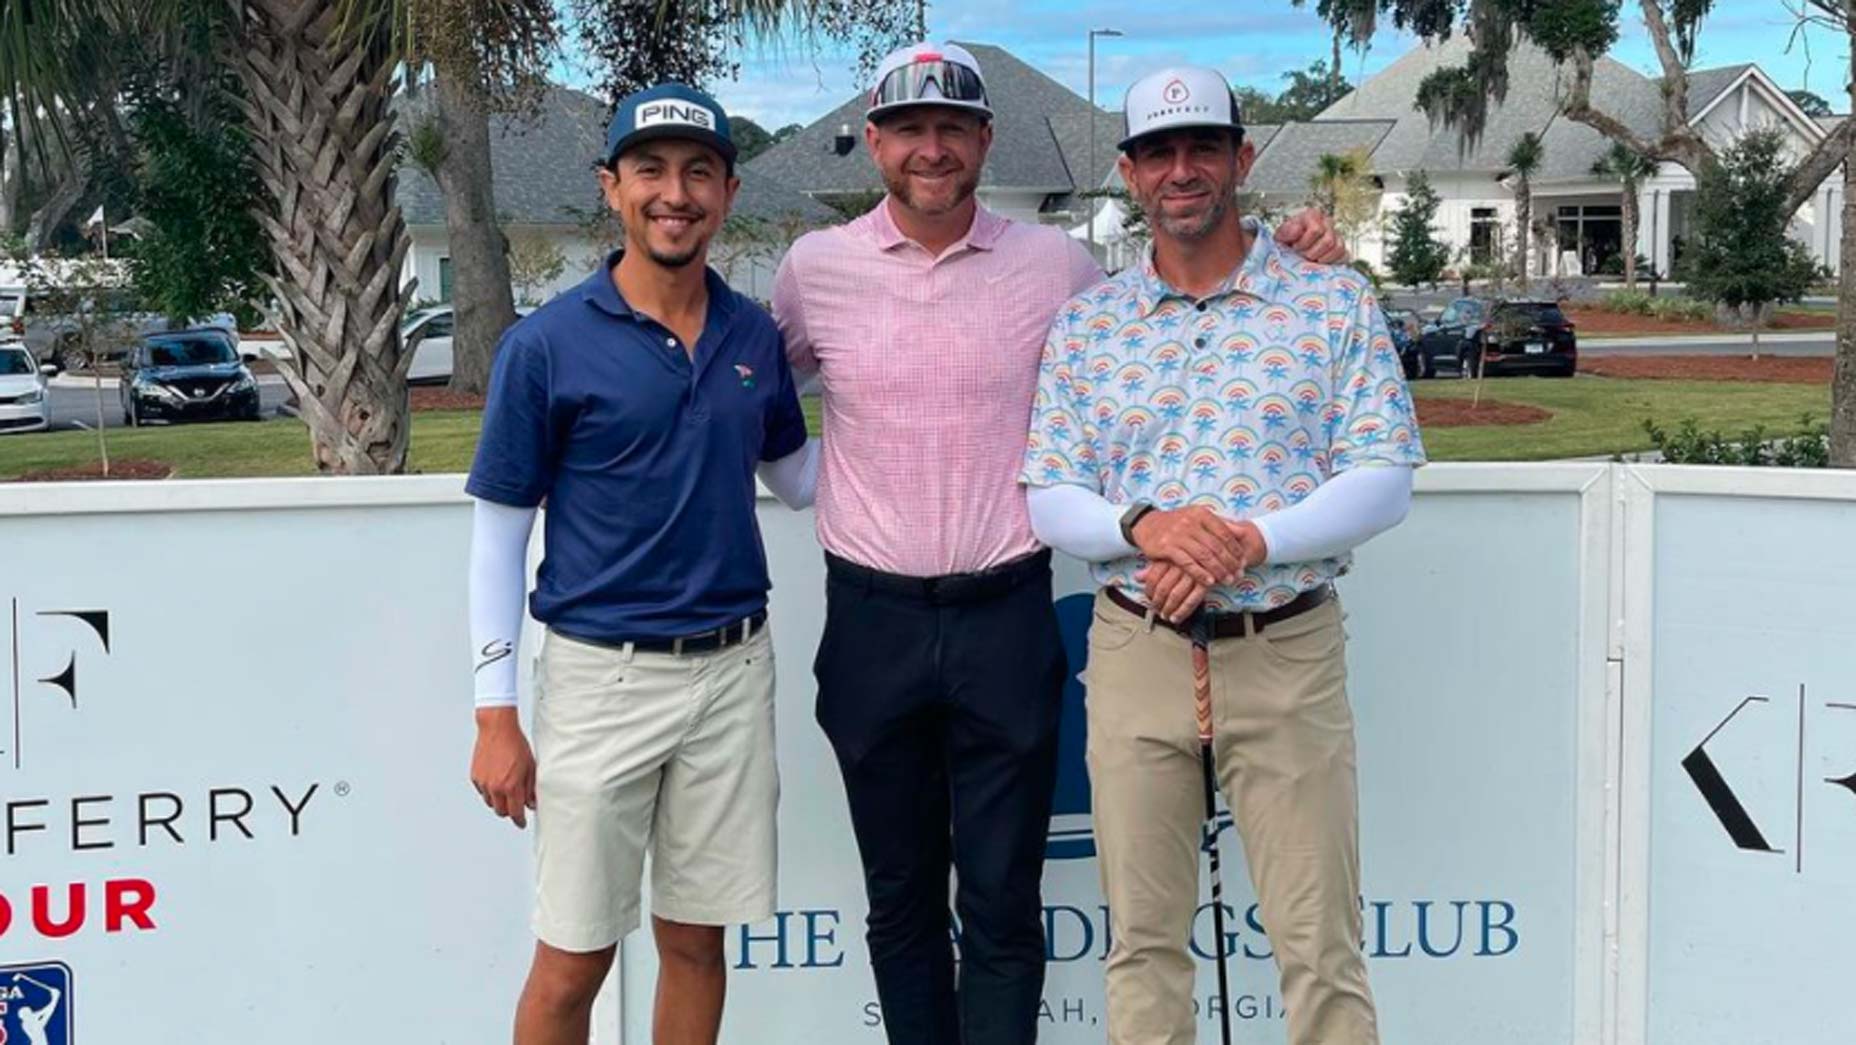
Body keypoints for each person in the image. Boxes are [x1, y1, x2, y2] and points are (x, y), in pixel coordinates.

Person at [770, 42, 1349, 1045]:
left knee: (1000, 901)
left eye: (953, 128)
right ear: (874, 144)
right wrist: (817, 488)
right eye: (909, 129)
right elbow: (757, 390)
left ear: (985, 141)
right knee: (899, 899)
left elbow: (1177, 308)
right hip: (871, 618)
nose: (931, 149)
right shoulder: (813, 269)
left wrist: (1287, 261)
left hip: (1005, 612)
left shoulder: (1055, 266)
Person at [1021, 65, 1426, 1045]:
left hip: (1282, 648)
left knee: (1317, 948)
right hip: (1136, 652)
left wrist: (1249, 539)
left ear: (1241, 159)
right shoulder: (1088, 325)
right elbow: (1050, 497)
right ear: (1128, 171)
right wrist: (1146, 528)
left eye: (1203, 146)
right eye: (1157, 151)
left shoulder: (1328, 303)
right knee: (1144, 945)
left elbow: (1381, 475)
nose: (1181, 169)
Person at [465, 82, 818, 1045]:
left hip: (732, 671)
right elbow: (499, 534)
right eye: (652, 170)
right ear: (611, 188)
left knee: (697, 944)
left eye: (699, 171)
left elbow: (799, 477)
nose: (676, 192)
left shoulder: (752, 335)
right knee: (573, 959)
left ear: (729, 192)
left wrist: (930, 420)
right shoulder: (545, 345)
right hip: (600, 678)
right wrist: (495, 712)